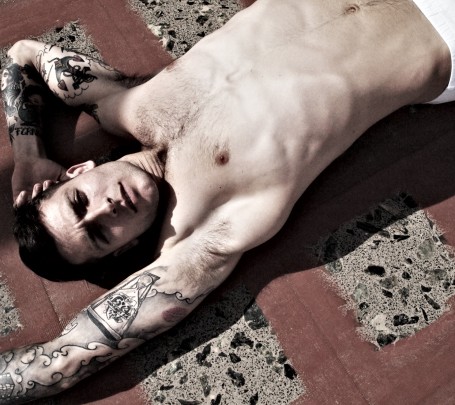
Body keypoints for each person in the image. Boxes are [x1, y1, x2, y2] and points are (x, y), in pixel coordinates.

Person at [1, 0, 454, 402]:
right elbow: (59, 360)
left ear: (77, 172)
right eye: (101, 234)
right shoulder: (201, 233)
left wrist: (28, 153)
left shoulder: (123, 105)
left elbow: (23, 54)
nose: (106, 209)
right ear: (124, 250)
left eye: (80, 202)